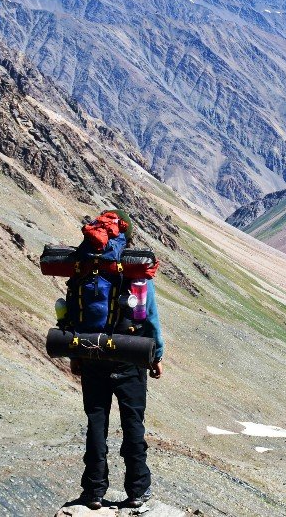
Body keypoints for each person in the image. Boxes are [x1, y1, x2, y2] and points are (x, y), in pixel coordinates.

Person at [68, 209, 166, 511]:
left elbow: (72, 309)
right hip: (129, 354)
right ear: (127, 235)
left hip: (92, 353)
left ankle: (93, 492)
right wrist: (156, 355)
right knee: (133, 424)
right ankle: (137, 491)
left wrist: (76, 353)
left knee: (96, 422)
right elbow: (149, 316)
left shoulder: (85, 266)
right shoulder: (133, 267)